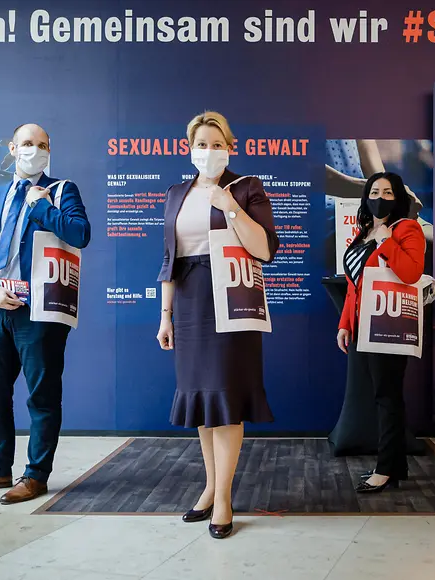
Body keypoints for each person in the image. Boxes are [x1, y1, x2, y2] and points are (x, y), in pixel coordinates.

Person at [0, 123, 91, 504]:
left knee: (42, 398)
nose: (34, 149)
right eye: (27, 143)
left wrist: (40, 205)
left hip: (40, 313)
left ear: (50, 150)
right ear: (13, 148)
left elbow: (79, 234)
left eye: (42, 144)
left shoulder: (63, 190)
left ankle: (35, 476)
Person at [156, 111, 278, 539]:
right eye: (201, 144)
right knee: (203, 404)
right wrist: (165, 315)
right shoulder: (175, 193)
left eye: (216, 143)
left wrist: (230, 209)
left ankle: (224, 499)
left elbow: (265, 248)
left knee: (226, 399)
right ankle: (210, 487)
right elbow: (169, 261)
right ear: (190, 149)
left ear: (231, 146)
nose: (208, 151)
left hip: (232, 298)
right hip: (188, 302)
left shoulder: (246, 188)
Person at [336, 172, 425, 493]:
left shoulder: (407, 229)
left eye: (388, 192)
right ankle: (393, 465)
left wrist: (387, 241)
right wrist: (345, 324)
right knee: (379, 395)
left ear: (398, 197)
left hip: (388, 324)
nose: (380, 197)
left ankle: (386, 468)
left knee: (387, 397)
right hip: (362, 326)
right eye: (375, 191)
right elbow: (353, 284)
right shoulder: (363, 233)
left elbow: (411, 272)